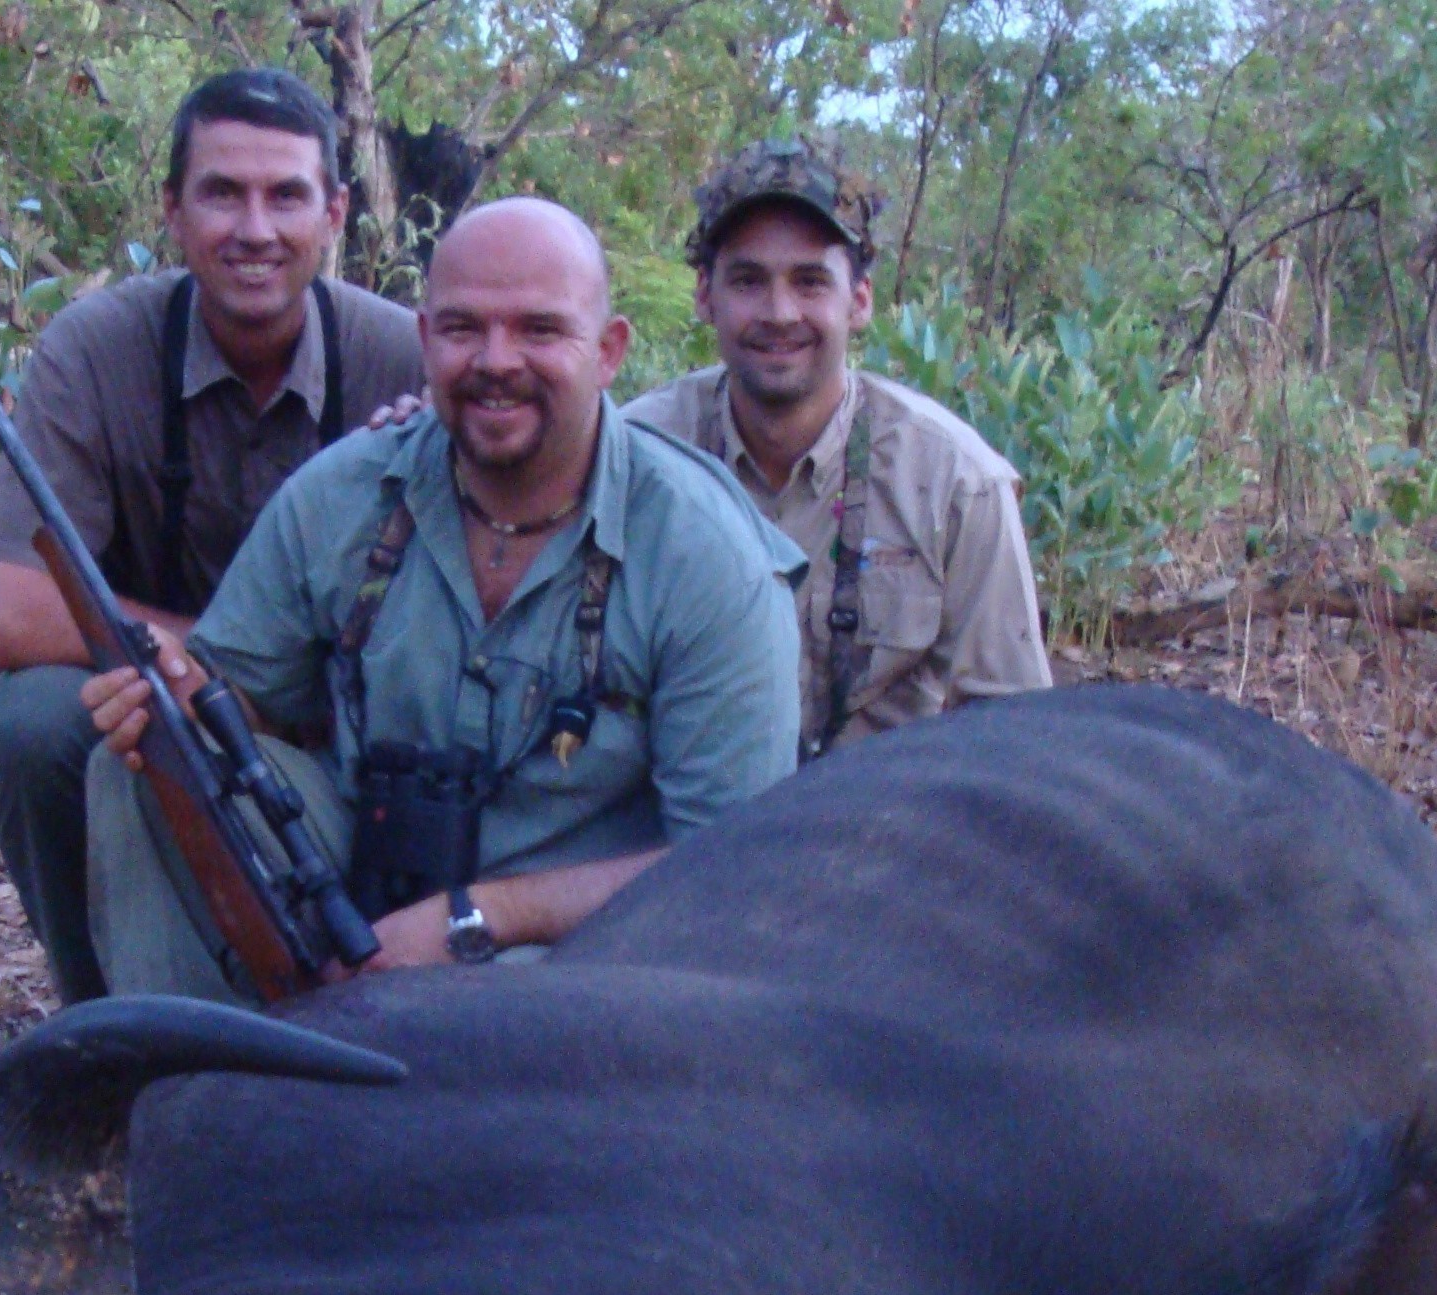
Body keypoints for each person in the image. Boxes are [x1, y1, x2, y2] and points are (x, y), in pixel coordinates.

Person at [78, 197, 803, 1000]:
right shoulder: (342, 494)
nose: (496, 360)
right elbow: (242, 700)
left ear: (608, 351)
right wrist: (180, 694)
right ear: (424, 341)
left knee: (504, 1014)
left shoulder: (707, 558)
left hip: (576, 954)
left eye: (539, 330)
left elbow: (730, 871)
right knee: (150, 762)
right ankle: (169, 1073)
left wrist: (476, 917)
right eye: (463, 329)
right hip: (358, 881)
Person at [0, 67, 423, 1000]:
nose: (255, 230)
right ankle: (93, 1017)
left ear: (335, 213)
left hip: (347, 724)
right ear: (172, 210)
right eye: (223, 193)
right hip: (168, 701)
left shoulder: (407, 354)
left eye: (287, 195)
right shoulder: (95, 347)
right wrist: (209, 671)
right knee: (34, 720)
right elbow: (9, 614)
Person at [627, 137, 1051, 759]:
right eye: (747, 280)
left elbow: (1012, 730)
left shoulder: (955, 481)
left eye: (809, 282)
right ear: (703, 296)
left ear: (859, 300)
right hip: (683, 821)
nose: (778, 312)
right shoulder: (638, 455)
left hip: (878, 828)